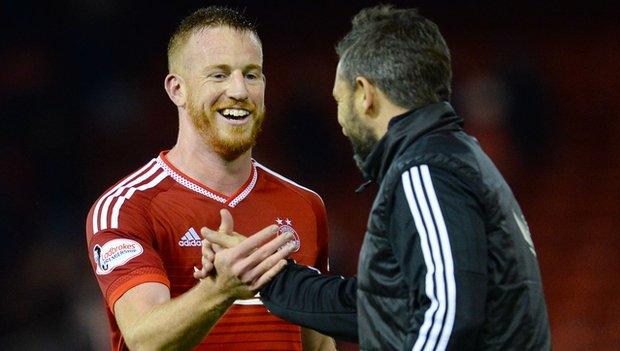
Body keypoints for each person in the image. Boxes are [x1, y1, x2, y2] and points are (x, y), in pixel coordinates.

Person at [204, 5, 552, 350]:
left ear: (365, 94)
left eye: (340, 100)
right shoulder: (454, 159)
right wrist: (265, 274)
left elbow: (447, 315)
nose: (339, 120)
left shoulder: (425, 170)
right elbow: (382, 307)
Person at [85, 6, 335, 351]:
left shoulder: (305, 205)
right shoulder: (127, 207)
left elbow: (318, 344)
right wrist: (218, 290)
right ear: (177, 89)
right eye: (218, 75)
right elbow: (144, 339)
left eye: (252, 74)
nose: (239, 91)